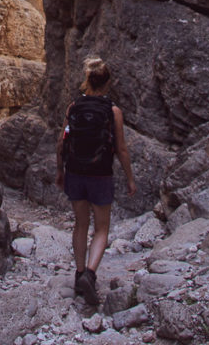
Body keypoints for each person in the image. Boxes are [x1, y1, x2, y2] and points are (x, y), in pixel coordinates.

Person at [56, 56, 136, 306]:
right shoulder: (113, 112)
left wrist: (60, 172)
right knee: (101, 228)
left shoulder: (73, 107)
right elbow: (121, 149)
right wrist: (130, 179)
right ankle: (90, 274)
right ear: (108, 83)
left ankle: (79, 273)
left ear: (87, 80)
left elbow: (62, 143)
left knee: (80, 224)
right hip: (101, 174)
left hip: (75, 172)